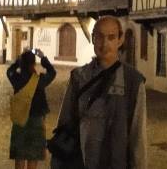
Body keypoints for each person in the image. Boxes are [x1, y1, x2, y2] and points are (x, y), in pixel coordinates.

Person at [52, 16, 147, 169]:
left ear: (120, 40)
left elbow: (138, 136)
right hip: (80, 162)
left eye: (111, 37)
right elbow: (64, 123)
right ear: (93, 39)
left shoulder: (133, 82)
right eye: (100, 37)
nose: (105, 44)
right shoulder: (79, 77)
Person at [8, 48, 57, 169]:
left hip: (20, 120)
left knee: (20, 156)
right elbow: (52, 72)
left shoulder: (16, 79)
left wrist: (18, 61)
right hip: (36, 121)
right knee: (33, 157)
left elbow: (9, 71)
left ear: (22, 63)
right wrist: (43, 58)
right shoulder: (39, 81)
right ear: (34, 63)